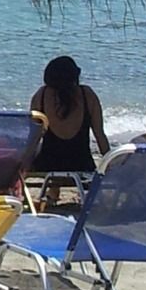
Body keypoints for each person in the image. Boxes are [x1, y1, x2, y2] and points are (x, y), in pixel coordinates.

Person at [28, 56, 112, 192]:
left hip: (48, 164)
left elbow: (33, 139)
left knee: (46, 147)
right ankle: (54, 193)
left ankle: (53, 192)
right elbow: (100, 136)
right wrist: (111, 164)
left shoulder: (41, 95)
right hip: (81, 163)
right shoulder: (87, 95)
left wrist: (22, 166)